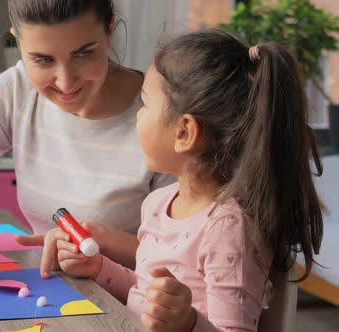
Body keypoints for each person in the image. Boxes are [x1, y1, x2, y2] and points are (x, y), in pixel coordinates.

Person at [0, 0, 172, 288]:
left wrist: (105, 242)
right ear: (17, 40)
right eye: (43, 60)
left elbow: (189, 257)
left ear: (109, 29)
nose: (65, 82)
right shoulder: (17, 91)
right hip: (56, 291)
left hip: (137, 305)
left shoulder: (161, 117)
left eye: (84, 53)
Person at [56, 30, 323, 331]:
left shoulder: (228, 230)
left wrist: (187, 322)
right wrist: (98, 267)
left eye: (144, 104)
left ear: (184, 133)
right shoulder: (158, 204)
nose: (137, 117)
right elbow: (144, 293)